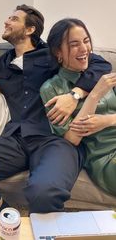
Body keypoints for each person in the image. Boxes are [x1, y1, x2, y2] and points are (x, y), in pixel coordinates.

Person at [0, 4, 112, 216]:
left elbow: (100, 65)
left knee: (45, 193)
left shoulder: (54, 53)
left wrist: (75, 94)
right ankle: (8, 217)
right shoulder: (0, 65)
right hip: (16, 137)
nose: (6, 21)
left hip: (55, 139)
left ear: (30, 30)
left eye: (14, 19)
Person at [40, 18, 116, 196]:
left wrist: (107, 120)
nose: (84, 49)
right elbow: (72, 138)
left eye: (86, 41)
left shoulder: (101, 73)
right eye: (74, 44)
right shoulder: (51, 88)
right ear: (58, 52)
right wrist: (94, 95)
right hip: (105, 156)